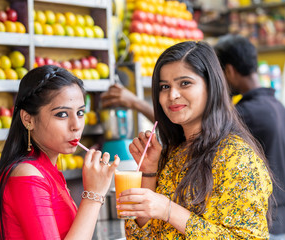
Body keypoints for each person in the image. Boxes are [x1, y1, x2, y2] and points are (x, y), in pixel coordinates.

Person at [117, 41, 273, 239]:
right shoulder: (173, 152)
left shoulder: (237, 158)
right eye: (165, 86)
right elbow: (140, 236)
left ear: (211, 86)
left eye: (185, 83)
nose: (172, 95)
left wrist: (168, 210)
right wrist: (148, 172)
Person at [0, 65, 119, 240]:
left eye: (80, 112)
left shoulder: (48, 170)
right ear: (28, 120)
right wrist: (94, 195)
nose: (76, 125)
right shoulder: (27, 175)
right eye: (62, 114)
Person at [214, 34, 285, 239]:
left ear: (228, 70)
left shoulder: (245, 114)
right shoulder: (277, 106)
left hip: (266, 224)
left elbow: (196, 137)